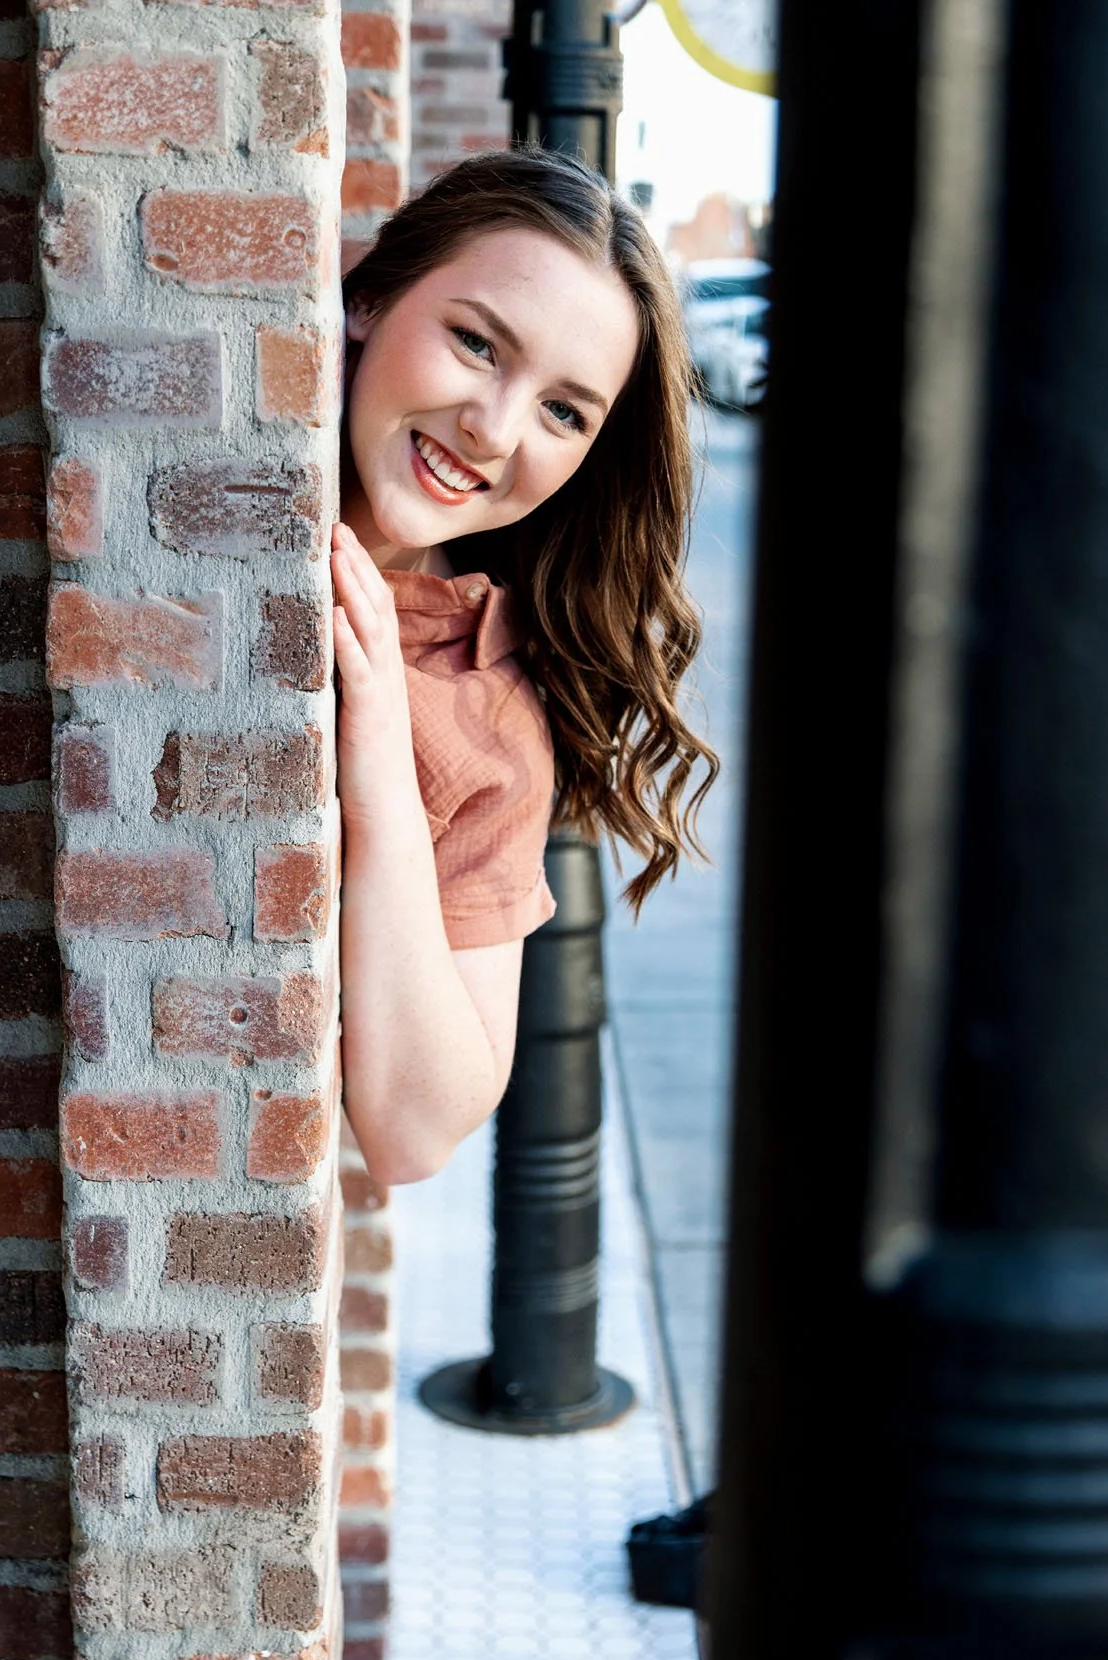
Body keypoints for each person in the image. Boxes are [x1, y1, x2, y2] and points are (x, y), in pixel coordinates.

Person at [333, 149, 717, 1186]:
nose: (492, 430)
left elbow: (415, 1133)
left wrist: (378, 774)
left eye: (563, 412)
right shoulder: (219, 467)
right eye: (474, 343)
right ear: (368, 297)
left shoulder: (489, 716)